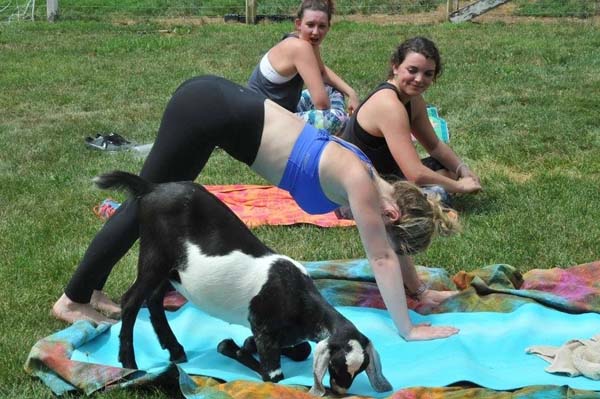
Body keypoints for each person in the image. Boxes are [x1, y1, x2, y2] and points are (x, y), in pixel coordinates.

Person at [53, 75, 460, 341]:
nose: (362, 224)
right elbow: (384, 256)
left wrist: (419, 290)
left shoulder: (375, 182)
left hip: (212, 108)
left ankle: (91, 290)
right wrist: (407, 329)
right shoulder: (361, 183)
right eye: (384, 227)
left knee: (149, 205)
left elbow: (392, 247)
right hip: (205, 109)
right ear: (392, 214)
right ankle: (72, 299)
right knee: (144, 205)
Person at [340, 36, 482, 197]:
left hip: (386, 177)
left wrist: (462, 170)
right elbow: (416, 174)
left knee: (447, 169)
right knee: (438, 194)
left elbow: (434, 145)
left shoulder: (414, 100)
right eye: (412, 70)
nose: (419, 79)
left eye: (428, 74)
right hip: (356, 187)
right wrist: (460, 186)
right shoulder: (389, 106)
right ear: (395, 67)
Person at [247, 0, 359, 135]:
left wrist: (351, 93)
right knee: (338, 119)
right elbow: (322, 104)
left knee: (332, 90)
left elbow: (321, 72)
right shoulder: (301, 47)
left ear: (328, 27)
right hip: (263, 124)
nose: (316, 32)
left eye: (321, 26)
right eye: (310, 25)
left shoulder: (303, 40)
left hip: (280, 111)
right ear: (299, 24)